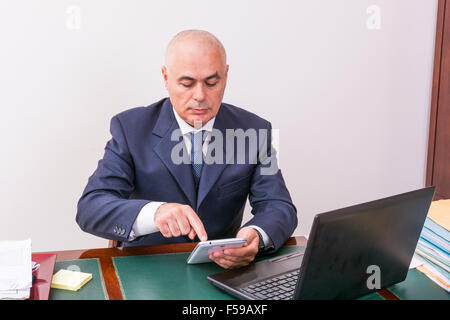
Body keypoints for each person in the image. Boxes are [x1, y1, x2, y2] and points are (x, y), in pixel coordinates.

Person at [76, 30, 297, 269]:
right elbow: (91, 207)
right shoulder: (131, 129)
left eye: (212, 82)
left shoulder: (255, 130)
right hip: (147, 268)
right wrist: (156, 213)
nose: (200, 96)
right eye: (187, 83)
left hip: (222, 268)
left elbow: (279, 205)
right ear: (165, 77)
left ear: (226, 76)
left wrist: (257, 234)